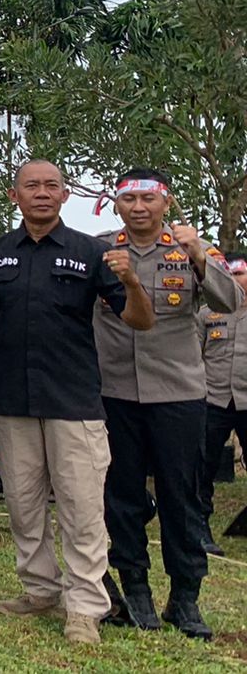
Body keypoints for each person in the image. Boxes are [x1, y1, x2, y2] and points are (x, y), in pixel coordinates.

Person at [0, 159, 155, 645]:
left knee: (82, 509)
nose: (41, 193)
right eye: (31, 186)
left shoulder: (93, 252)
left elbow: (139, 321)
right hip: (8, 399)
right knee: (23, 506)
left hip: (75, 402)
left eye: (52, 186)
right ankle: (40, 590)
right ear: (13, 195)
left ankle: (84, 607)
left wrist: (131, 281)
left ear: (66, 196)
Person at [92, 170, 240, 640]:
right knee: (123, 497)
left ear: (165, 202)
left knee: (182, 497)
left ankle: (186, 597)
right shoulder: (99, 250)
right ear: (116, 205)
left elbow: (230, 301)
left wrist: (199, 256)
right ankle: (135, 590)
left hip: (178, 393)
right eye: (129, 199)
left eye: (148, 199)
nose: (139, 208)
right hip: (114, 391)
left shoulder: (192, 248)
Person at [200, 252, 247, 553]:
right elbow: (192, 356)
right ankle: (199, 527)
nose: (236, 281)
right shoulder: (207, 313)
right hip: (212, 399)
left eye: (240, 275)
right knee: (201, 468)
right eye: (229, 276)